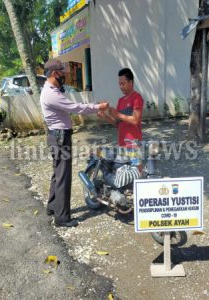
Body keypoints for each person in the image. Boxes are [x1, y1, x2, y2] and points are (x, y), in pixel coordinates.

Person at [40, 59, 108, 227]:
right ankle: (62, 218)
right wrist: (98, 107)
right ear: (56, 74)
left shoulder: (50, 89)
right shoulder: (52, 94)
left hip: (56, 136)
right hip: (60, 137)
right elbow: (76, 107)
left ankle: (52, 207)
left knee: (57, 173)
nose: (66, 74)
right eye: (63, 72)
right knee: (63, 176)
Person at [98, 68, 144, 169]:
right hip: (122, 145)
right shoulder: (120, 101)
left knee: (137, 172)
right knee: (124, 175)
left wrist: (117, 114)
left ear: (131, 82)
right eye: (119, 84)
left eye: (123, 83)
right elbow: (118, 125)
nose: (121, 86)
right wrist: (105, 116)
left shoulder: (137, 98)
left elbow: (135, 120)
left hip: (133, 145)